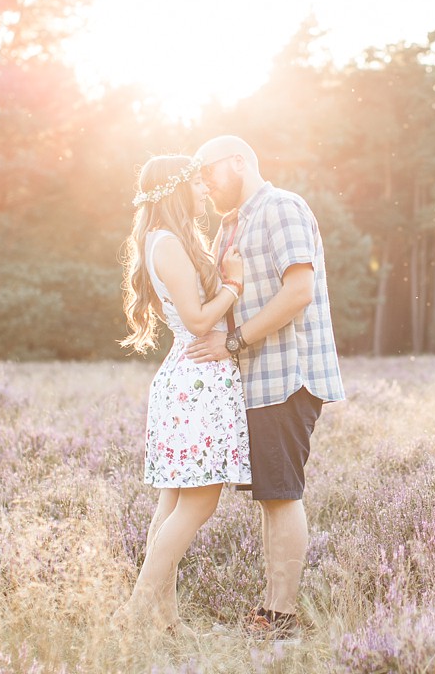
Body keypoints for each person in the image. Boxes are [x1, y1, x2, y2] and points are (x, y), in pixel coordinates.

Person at [185, 135, 345, 641]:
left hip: (285, 375)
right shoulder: (230, 226)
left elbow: (298, 291)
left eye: (207, 172)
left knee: (280, 496)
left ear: (238, 162)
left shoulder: (280, 207)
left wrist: (232, 342)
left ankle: (280, 617)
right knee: (270, 497)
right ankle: (273, 610)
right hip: (255, 380)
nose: (204, 183)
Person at [112, 154, 251, 635]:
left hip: (191, 379)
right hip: (196, 382)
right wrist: (233, 283)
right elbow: (196, 321)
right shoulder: (167, 243)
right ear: (175, 190)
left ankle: (167, 621)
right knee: (198, 503)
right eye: (196, 182)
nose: (204, 190)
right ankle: (133, 616)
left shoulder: (166, 240)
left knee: (172, 504)